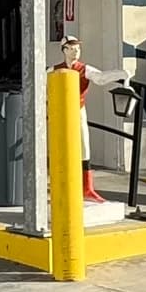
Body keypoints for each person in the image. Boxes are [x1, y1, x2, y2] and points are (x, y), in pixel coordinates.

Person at [54, 35, 111, 202]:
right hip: (60, 112)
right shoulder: (54, 69)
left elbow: (100, 78)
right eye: (71, 48)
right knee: (60, 148)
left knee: (84, 147)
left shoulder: (84, 69)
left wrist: (120, 74)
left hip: (78, 110)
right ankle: (63, 185)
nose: (75, 52)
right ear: (64, 50)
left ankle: (87, 188)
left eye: (77, 48)